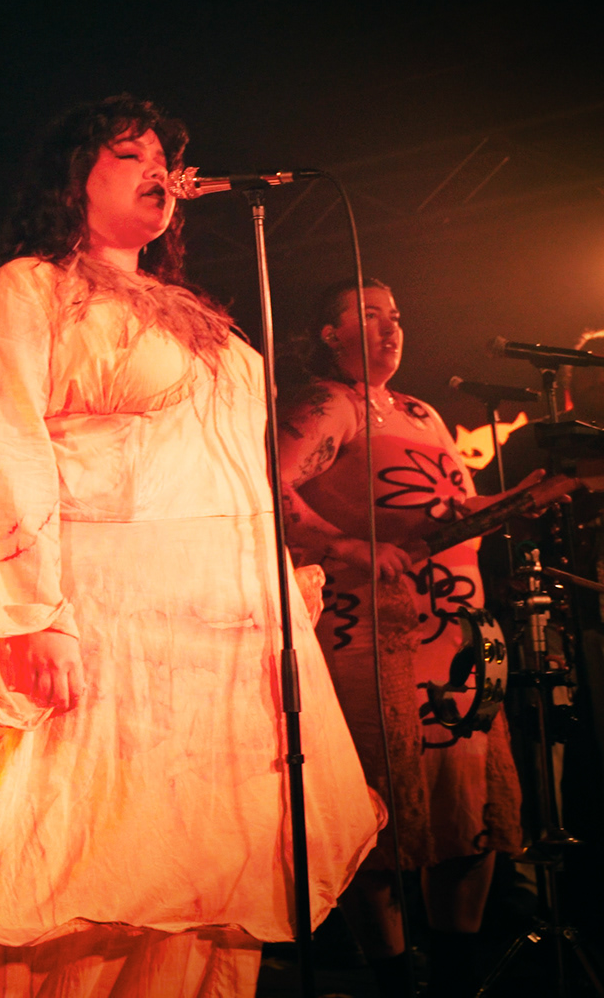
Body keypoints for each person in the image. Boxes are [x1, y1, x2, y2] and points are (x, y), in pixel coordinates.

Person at [0, 95, 380, 998]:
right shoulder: (31, 289)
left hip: (210, 648)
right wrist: (33, 616)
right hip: (99, 627)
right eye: (129, 153)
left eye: (165, 157)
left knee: (196, 867)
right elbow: (1, 446)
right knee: (70, 860)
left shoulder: (193, 313)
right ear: (73, 177)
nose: (158, 168)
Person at [277, 280, 526, 998]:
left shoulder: (422, 411)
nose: (391, 328)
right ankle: (391, 979)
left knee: (467, 808)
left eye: (396, 316)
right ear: (330, 333)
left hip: (458, 633)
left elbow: (452, 506)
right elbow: (267, 487)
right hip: (371, 634)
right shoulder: (326, 404)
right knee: (379, 812)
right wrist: (346, 545)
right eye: (369, 315)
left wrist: (512, 500)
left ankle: (453, 976)